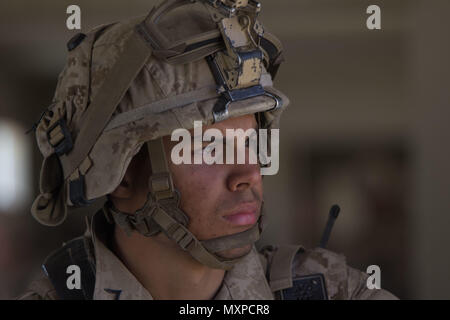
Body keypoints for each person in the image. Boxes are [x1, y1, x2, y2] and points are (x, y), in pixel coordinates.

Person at [19, 0, 397, 300]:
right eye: (209, 147)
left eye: (250, 143)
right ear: (120, 173)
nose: (247, 175)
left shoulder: (336, 291)